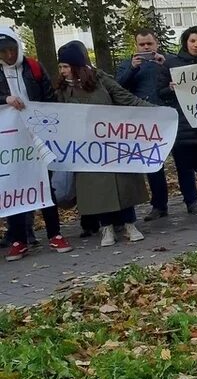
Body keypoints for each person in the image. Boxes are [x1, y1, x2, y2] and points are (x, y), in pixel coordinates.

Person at [54, 41, 153, 247]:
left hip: (112, 142)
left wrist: (156, 112)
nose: (62, 71)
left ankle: (130, 224)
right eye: (60, 67)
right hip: (86, 149)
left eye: (65, 66)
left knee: (122, 184)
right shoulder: (62, 89)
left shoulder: (100, 80)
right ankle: (106, 228)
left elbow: (125, 98)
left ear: (76, 66)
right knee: (97, 189)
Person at [0, 26, 72, 260]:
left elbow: (48, 97)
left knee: (44, 184)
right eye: (3, 52)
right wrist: (5, 99)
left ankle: (55, 234)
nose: (9, 56)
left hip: (37, 136)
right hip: (10, 140)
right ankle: (19, 239)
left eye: (12, 50)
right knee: (14, 187)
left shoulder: (33, 67)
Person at [115, 29, 174, 221]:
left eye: (149, 44)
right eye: (142, 45)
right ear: (136, 46)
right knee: (153, 164)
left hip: (168, 116)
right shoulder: (127, 65)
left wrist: (165, 65)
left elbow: (181, 79)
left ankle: (191, 201)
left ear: (156, 43)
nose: (146, 48)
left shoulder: (167, 61)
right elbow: (117, 88)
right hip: (143, 120)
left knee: (183, 160)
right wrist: (132, 68)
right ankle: (159, 205)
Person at [165, 26, 197, 222]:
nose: (196, 45)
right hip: (181, 127)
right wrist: (169, 89)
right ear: (186, 42)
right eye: (192, 41)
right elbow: (160, 93)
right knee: (184, 168)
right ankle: (191, 202)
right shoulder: (173, 66)